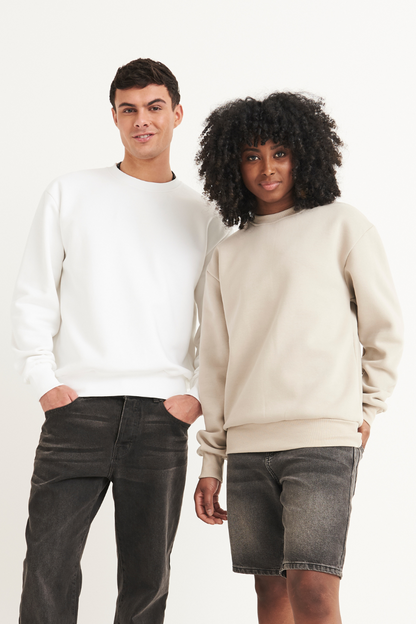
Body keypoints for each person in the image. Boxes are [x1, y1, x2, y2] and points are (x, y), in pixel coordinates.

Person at [12, 58, 226, 624]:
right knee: (48, 567)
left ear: (177, 113)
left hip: (161, 415)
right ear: (114, 117)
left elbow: (218, 320)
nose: (142, 120)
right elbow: (35, 293)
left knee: (147, 578)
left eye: (155, 107)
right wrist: (44, 381)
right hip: (76, 409)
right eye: (128, 110)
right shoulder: (71, 193)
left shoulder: (204, 214)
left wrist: (196, 395)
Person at [193, 92, 403, 624]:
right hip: (247, 448)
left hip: (321, 441)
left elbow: (384, 330)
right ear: (232, 165)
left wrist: (367, 408)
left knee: (313, 590)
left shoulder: (343, 226)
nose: (267, 169)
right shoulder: (227, 254)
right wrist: (212, 460)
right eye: (252, 156)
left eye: (280, 153)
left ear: (304, 155)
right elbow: (214, 363)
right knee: (270, 594)